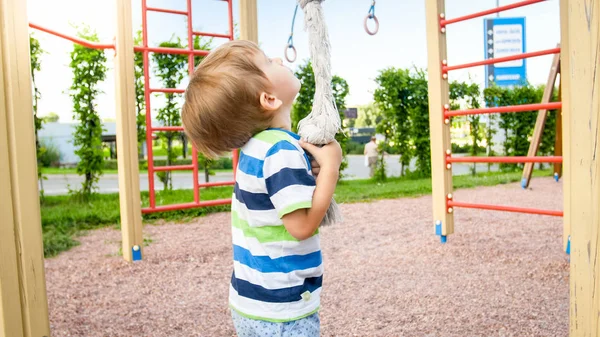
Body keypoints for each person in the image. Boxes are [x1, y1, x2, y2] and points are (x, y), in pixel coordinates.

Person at [182, 40, 342, 337]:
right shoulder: (280, 150)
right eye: (268, 61)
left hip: (253, 301)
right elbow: (301, 226)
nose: (279, 58)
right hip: (280, 310)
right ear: (268, 99)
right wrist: (331, 167)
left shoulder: (256, 148)